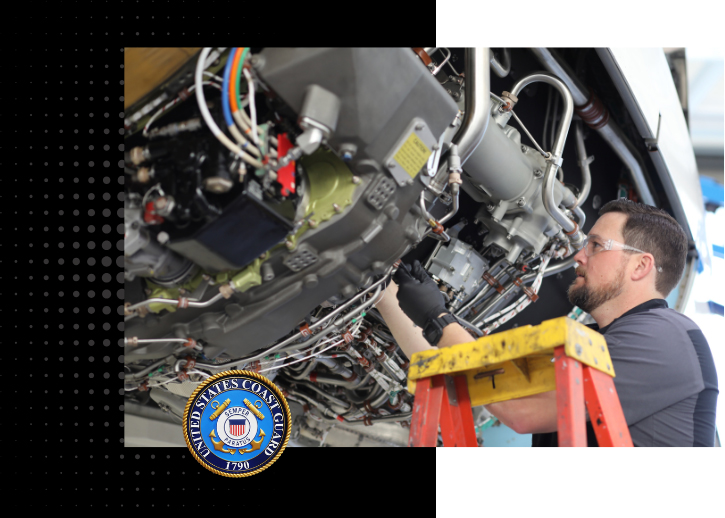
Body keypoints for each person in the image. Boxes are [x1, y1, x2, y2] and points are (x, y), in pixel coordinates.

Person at [375, 199, 718, 446]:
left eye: (596, 246)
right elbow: (456, 373)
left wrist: (438, 318)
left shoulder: (665, 336)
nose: (579, 256)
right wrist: (385, 293)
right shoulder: (595, 343)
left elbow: (518, 409)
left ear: (640, 266)